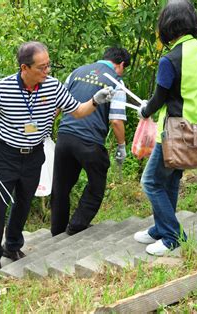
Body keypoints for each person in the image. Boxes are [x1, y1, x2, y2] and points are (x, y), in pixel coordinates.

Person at [0, 41, 114, 278]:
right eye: (42, 67)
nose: (47, 71)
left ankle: (13, 246)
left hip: (35, 153)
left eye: (48, 66)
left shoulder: (52, 87)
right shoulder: (2, 88)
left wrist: (96, 101)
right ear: (24, 68)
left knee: (24, 202)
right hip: (5, 154)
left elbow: (77, 111)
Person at [133, 0, 197, 256]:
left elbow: (159, 98)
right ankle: (160, 228)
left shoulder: (170, 60)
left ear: (167, 25)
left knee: (151, 182)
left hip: (174, 131)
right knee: (170, 180)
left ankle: (172, 236)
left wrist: (144, 111)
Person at [50, 47, 131, 236]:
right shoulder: (116, 81)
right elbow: (116, 120)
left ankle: (57, 231)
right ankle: (76, 226)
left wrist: (47, 129)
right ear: (120, 65)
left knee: (61, 187)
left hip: (65, 137)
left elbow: (57, 104)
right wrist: (121, 146)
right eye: (123, 69)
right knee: (97, 183)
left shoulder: (77, 72)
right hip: (89, 141)